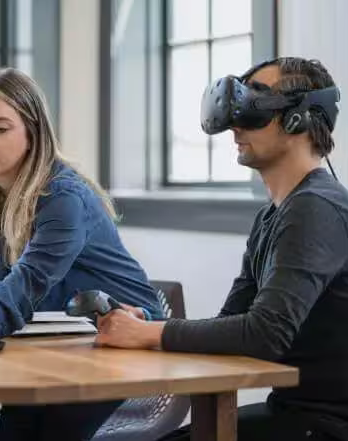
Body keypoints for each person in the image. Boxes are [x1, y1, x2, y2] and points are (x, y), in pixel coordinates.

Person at [96, 57, 348, 441]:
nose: (235, 126)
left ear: (298, 118)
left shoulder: (316, 208)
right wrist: (148, 326)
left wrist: (149, 335)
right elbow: (233, 321)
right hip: (294, 414)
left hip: (326, 426)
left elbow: (265, 334)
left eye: (253, 109)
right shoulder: (273, 215)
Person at [0, 67, 164, 441]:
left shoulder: (63, 197)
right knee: (16, 429)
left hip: (118, 334)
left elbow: (31, 278)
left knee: (48, 432)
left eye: (0, 128)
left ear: (32, 134)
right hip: (45, 335)